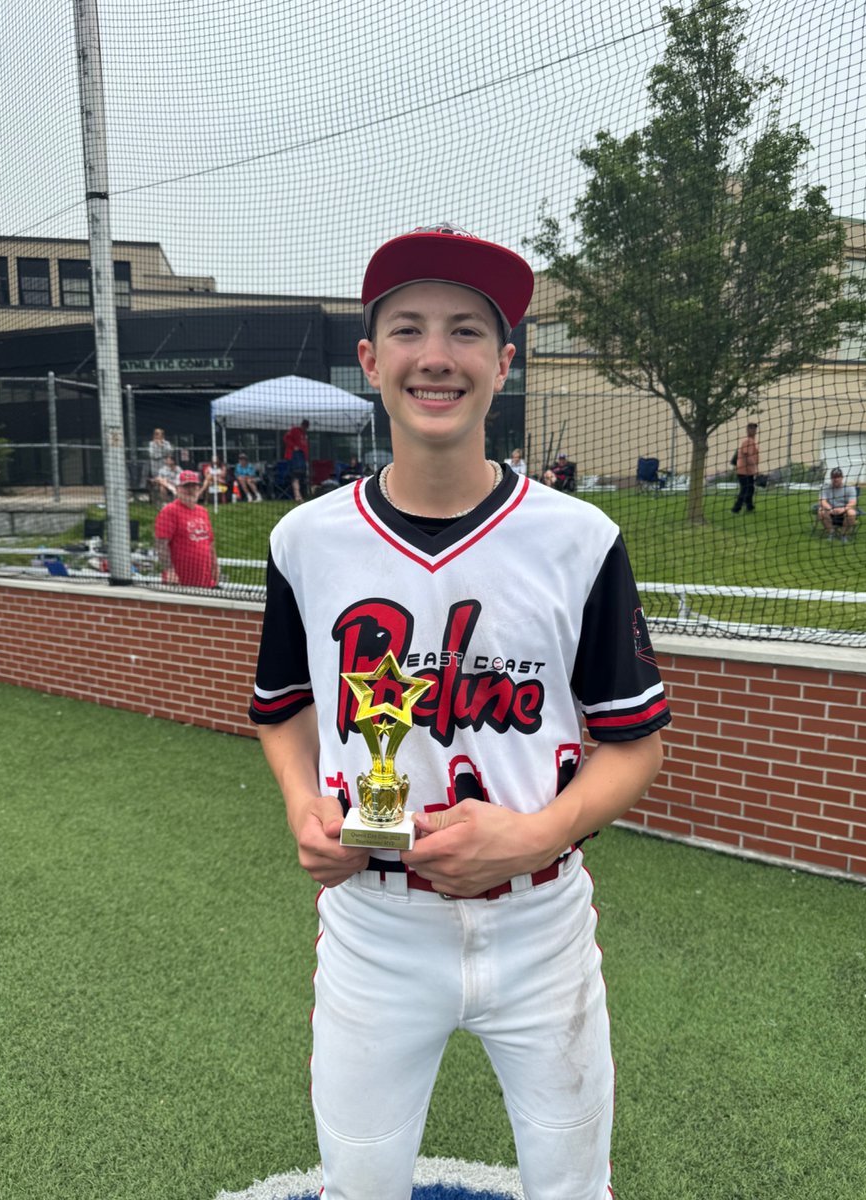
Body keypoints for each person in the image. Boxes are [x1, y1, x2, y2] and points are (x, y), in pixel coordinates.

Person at [248, 223, 670, 1200]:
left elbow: (634, 743)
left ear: (503, 362)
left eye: (467, 332)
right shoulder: (307, 542)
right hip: (374, 927)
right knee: (359, 1188)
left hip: (541, 927)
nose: (435, 355)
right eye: (407, 329)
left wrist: (534, 835)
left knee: (572, 1189)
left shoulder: (580, 539)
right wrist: (301, 800)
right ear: (370, 359)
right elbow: (281, 710)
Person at [154, 470, 219, 587]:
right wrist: (169, 570)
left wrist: (215, 566)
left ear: (199, 489)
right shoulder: (170, 511)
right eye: (186, 486)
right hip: (180, 582)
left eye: (194, 487)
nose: (190, 490)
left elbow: (210, 543)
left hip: (205, 580)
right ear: (178, 489)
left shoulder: (202, 512)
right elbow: (161, 544)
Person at [817, 467, 858, 541]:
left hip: (844, 511)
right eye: (833, 477)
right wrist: (830, 508)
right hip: (830, 511)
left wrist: (843, 509)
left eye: (838, 477)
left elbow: (852, 502)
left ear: (842, 478)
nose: (836, 479)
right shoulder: (825, 488)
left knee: (852, 513)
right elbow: (822, 501)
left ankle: (843, 535)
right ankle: (831, 533)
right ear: (831, 478)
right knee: (821, 511)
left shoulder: (850, 488)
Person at [731, 421, 759, 513]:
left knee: (750, 489)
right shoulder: (748, 442)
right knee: (745, 489)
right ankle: (736, 509)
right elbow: (747, 455)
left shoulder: (752, 441)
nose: (753, 430)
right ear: (747, 430)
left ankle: (749, 507)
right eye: (751, 428)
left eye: (754, 428)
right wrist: (755, 468)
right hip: (744, 471)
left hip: (748, 471)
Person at [284, 419, 310, 501]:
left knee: (300, 476)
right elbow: (286, 438)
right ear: (302, 425)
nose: (305, 428)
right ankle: (297, 496)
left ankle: (299, 495)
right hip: (294, 457)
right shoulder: (294, 430)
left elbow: (305, 448)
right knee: (295, 476)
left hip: (302, 458)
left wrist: (306, 458)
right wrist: (293, 446)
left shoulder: (304, 434)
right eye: (304, 426)